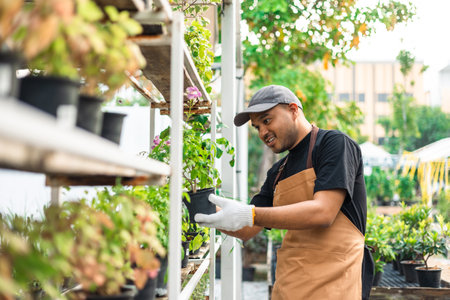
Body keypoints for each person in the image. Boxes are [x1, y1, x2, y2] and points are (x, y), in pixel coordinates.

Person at [195, 85, 374, 300]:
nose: (262, 132)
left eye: (267, 120)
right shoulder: (277, 172)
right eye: (257, 127)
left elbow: (323, 212)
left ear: (293, 110)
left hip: (335, 284)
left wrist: (249, 214)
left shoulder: (333, 145)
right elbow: (247, 229)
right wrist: (201, 210)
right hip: (291, 285)